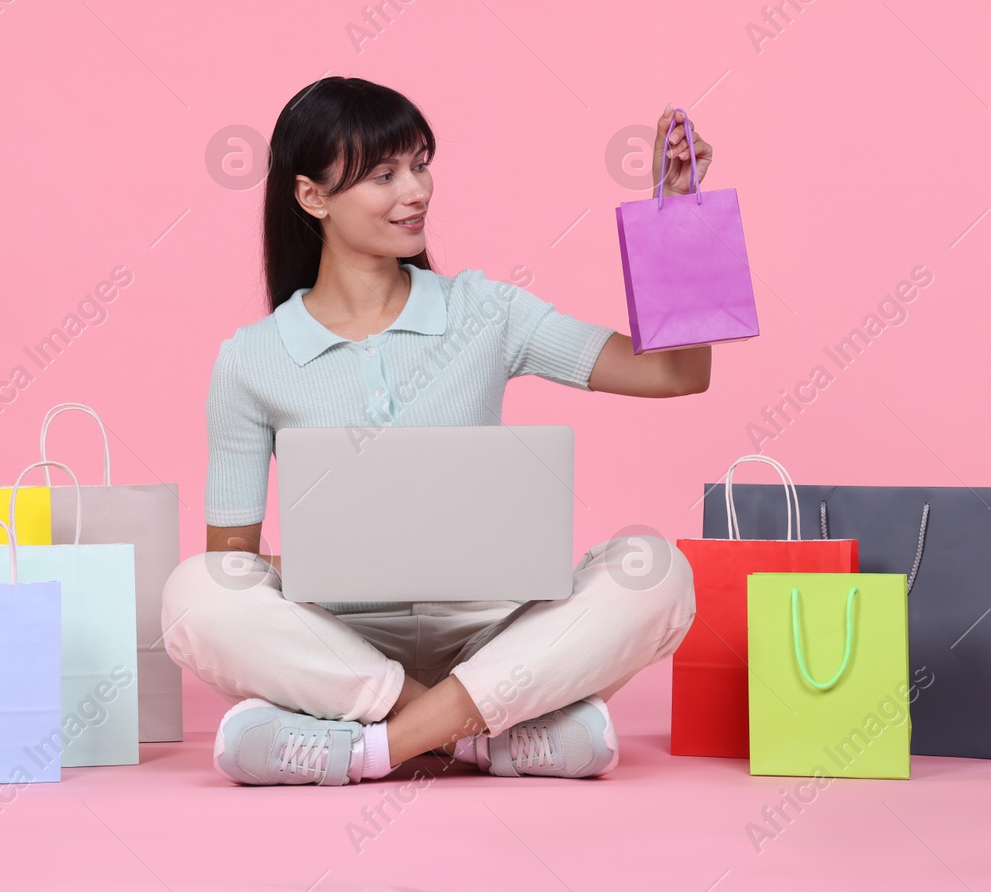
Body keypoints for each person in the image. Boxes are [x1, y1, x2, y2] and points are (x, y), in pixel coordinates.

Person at [162, 76, 714, 786]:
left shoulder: (486, 310)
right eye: (384, 174)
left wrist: (680, 219)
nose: (416, 191)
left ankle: (372, 748)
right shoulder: (251, 358)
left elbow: (674, 374)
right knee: (197, 589)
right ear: (312, 197)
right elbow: (232, 566)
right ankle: (494, 737)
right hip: (344, 648)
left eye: (420, 163)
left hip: (498, 636)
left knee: (657, 571)